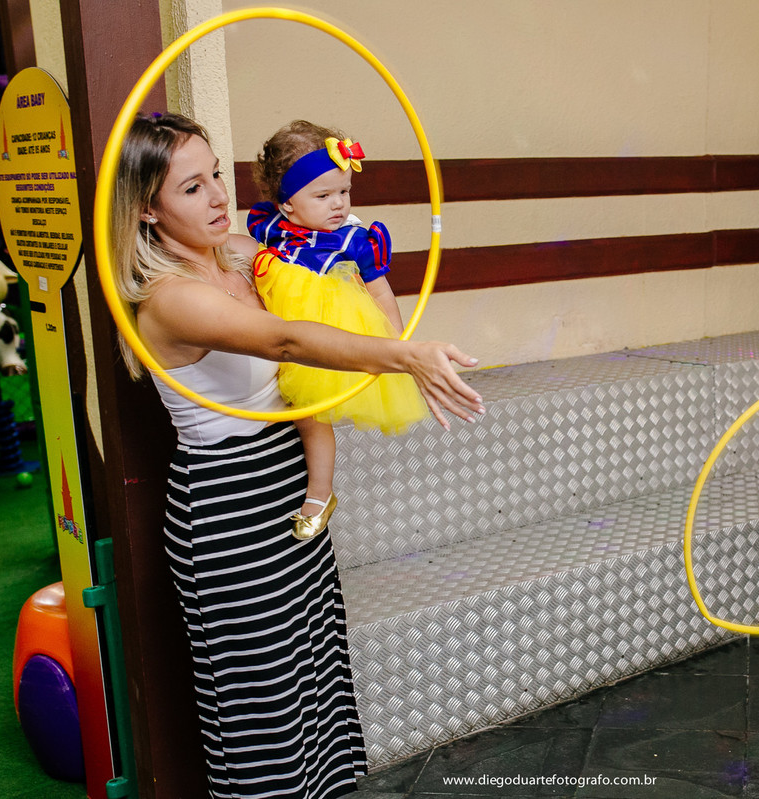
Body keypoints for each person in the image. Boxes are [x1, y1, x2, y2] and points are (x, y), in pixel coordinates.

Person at [112, 111, 484, 798]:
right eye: (192, 188)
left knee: (314, 677)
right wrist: (406, 356)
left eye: (217, 175)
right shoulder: (169, 301)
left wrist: (361, 259)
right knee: (263, 710)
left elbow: (321, 241)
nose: (219, 196)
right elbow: (285, 340)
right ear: (146, 213)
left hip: (290, 490)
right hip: (227, 505)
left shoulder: (239, 258)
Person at [243, 119, 425, 540]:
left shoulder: (354, 239)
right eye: (323, 195)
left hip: (329, 332)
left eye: (344, 191)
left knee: (311, 416)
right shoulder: (269, 226)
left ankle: (320, 491)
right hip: (275, 329)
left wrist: (396, 348)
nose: (338, 204)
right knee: (280, 407)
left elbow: (380, 294)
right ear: (287, 203)